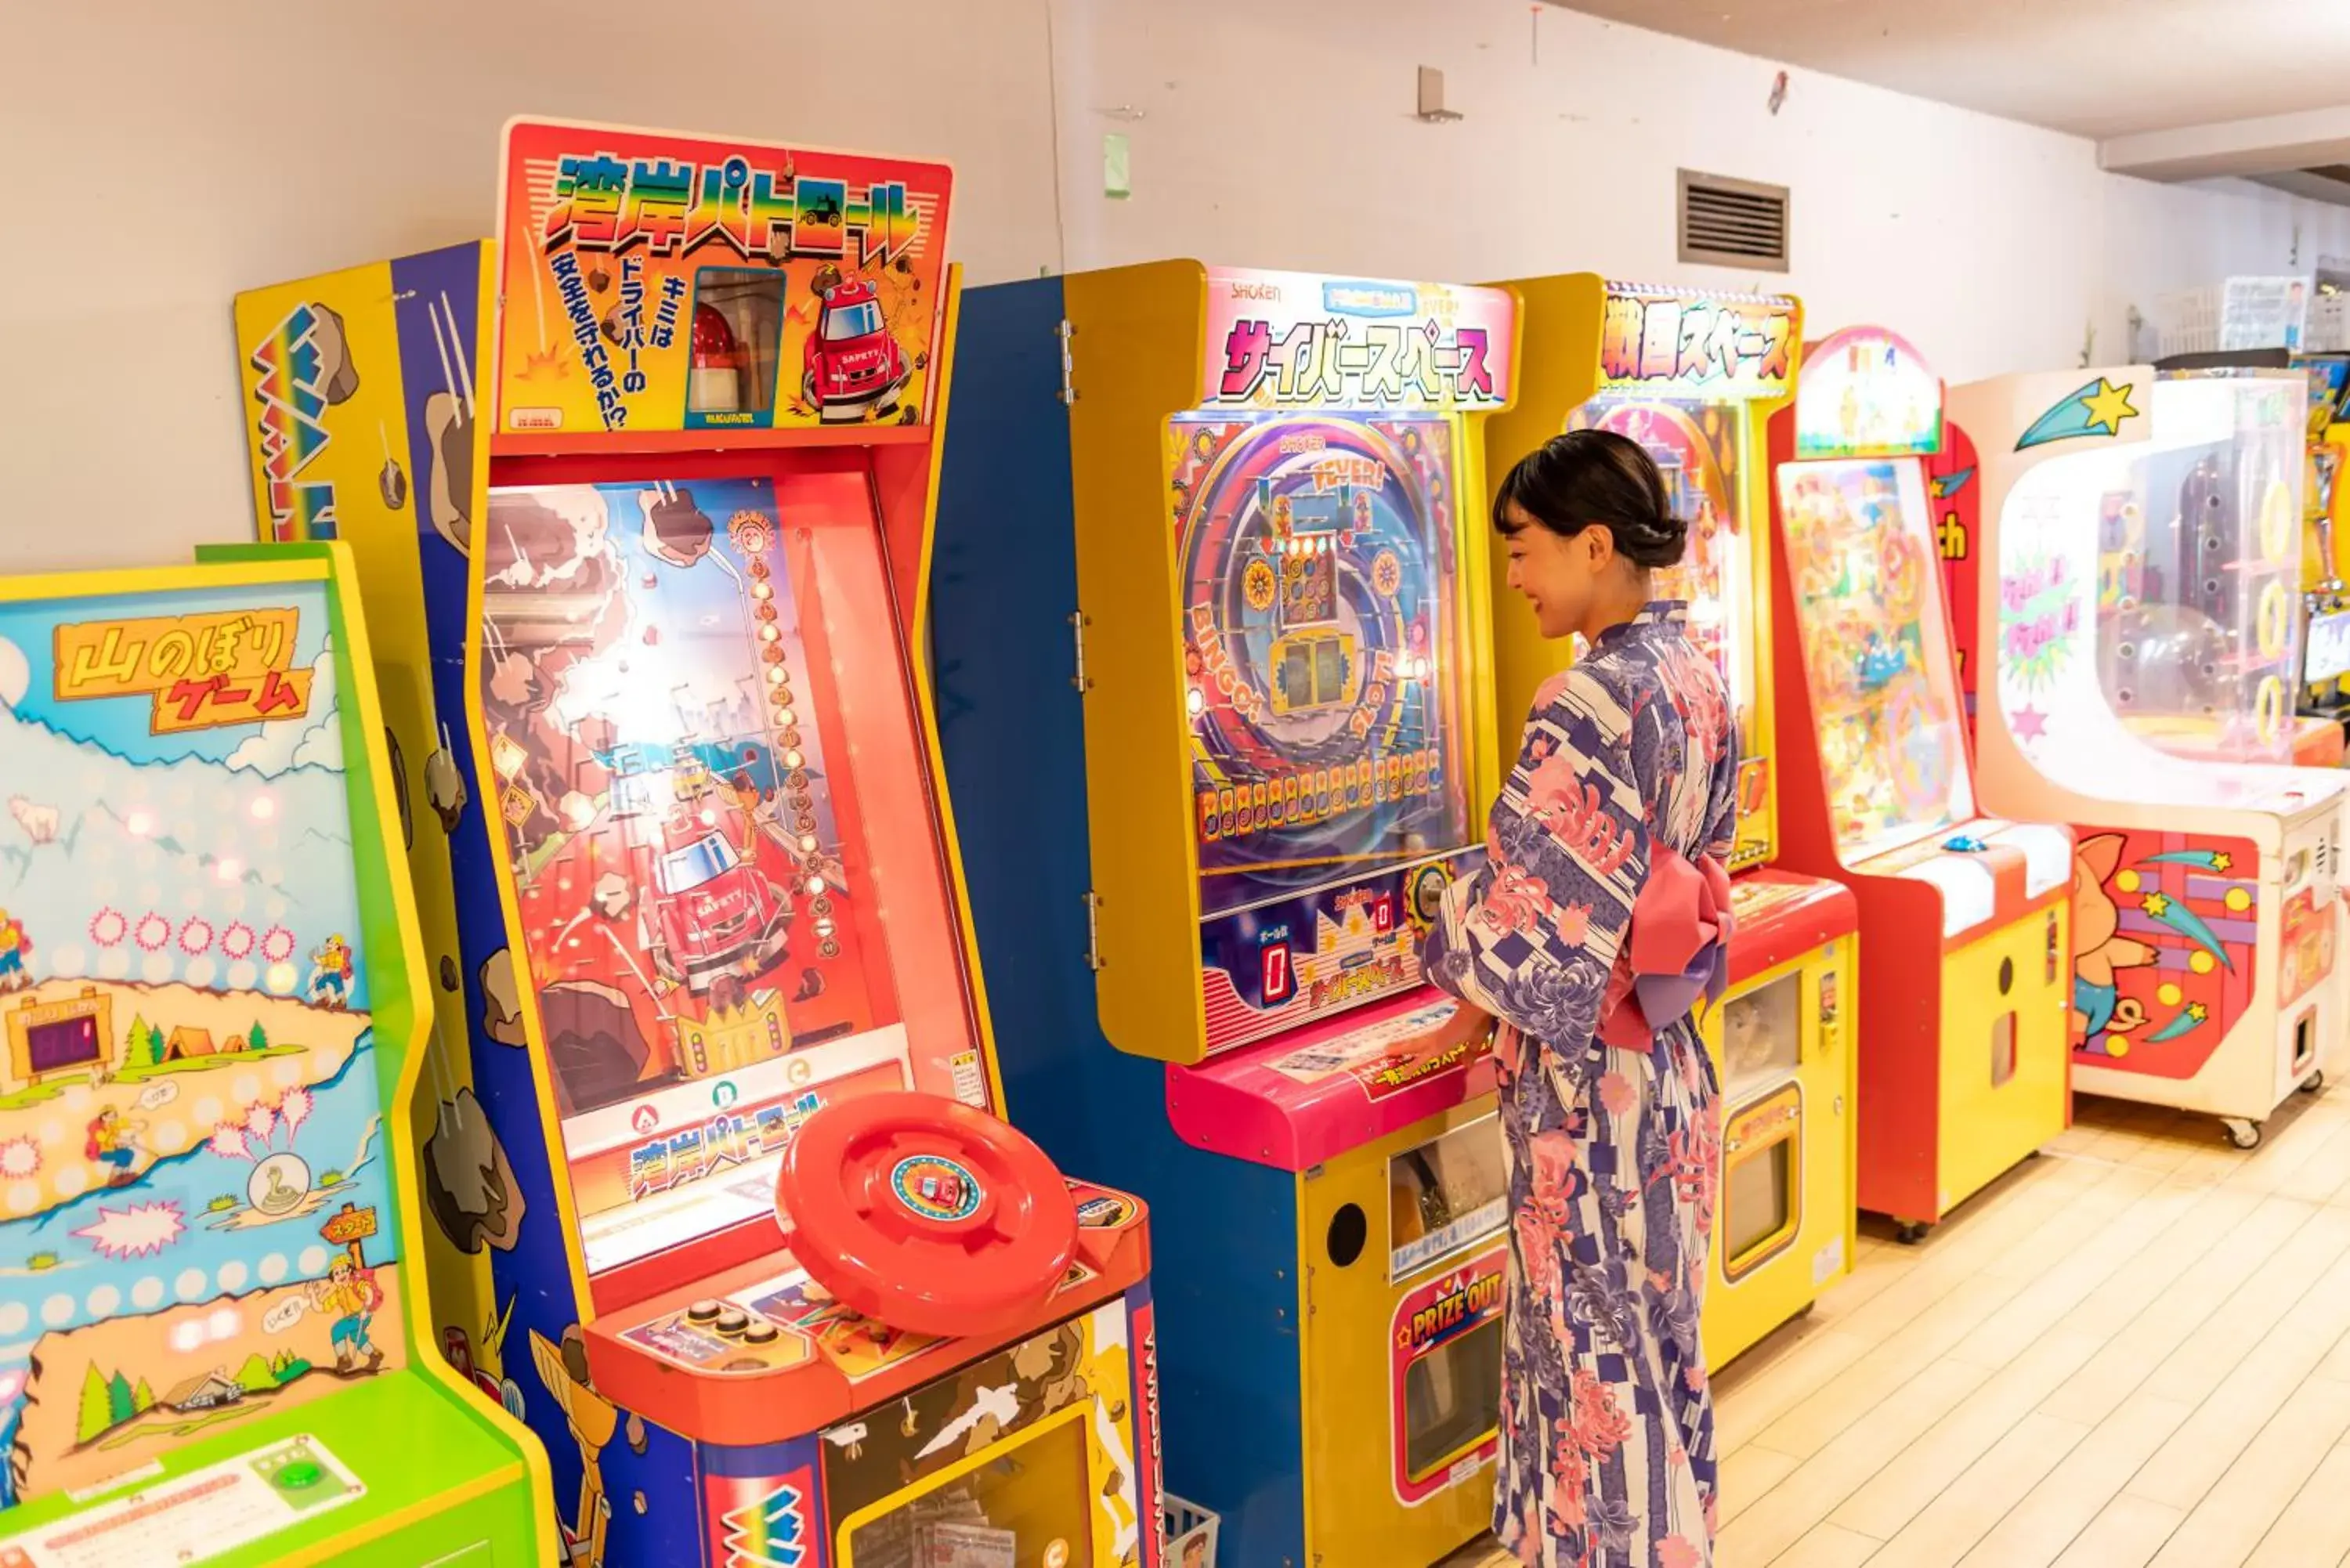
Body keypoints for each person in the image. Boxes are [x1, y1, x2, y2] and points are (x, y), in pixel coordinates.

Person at [1400, 428, 1737, 1567]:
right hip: (1672, 1061)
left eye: (1525, 547)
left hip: (1594, 1090)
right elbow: (1686, 865)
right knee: (1654, 1340)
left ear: (1596, 545)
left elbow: (1522, 921)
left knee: (1592, 1361)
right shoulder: (1693, 675)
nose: (1514, 573)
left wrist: (1428, 921)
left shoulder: (1588, 698)